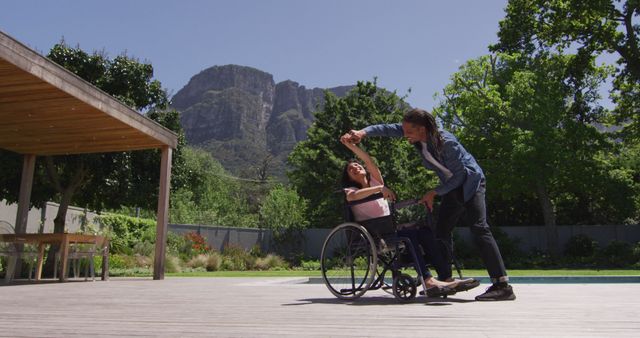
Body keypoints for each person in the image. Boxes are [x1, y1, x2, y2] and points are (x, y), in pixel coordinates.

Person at [343, 108, 516, 301]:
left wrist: (434, 192)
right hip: (451, 187)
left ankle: (502, 285)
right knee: (441, 231)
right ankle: (444, 280)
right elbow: (386, 128)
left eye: (409, 131)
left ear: (423, 130)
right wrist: (362, 133)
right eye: (405, 130)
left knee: (479, 228)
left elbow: (460, 176)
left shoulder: (447, 143)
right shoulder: (416, 135)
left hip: (471, 183)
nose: (405, 134)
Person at [340, 136, 463, 297]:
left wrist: (352, 147)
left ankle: (446, 278)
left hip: (391, 230)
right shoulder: (350, 189)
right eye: (351, 169)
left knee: (426, 233)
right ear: (349, 178)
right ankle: (428, 281)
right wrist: (379, 190)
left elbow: (369, 161)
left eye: (357, 164)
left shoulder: (376, 182)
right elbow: (353, 197)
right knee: (410, 237)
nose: (355, 167)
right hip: (374, 235)